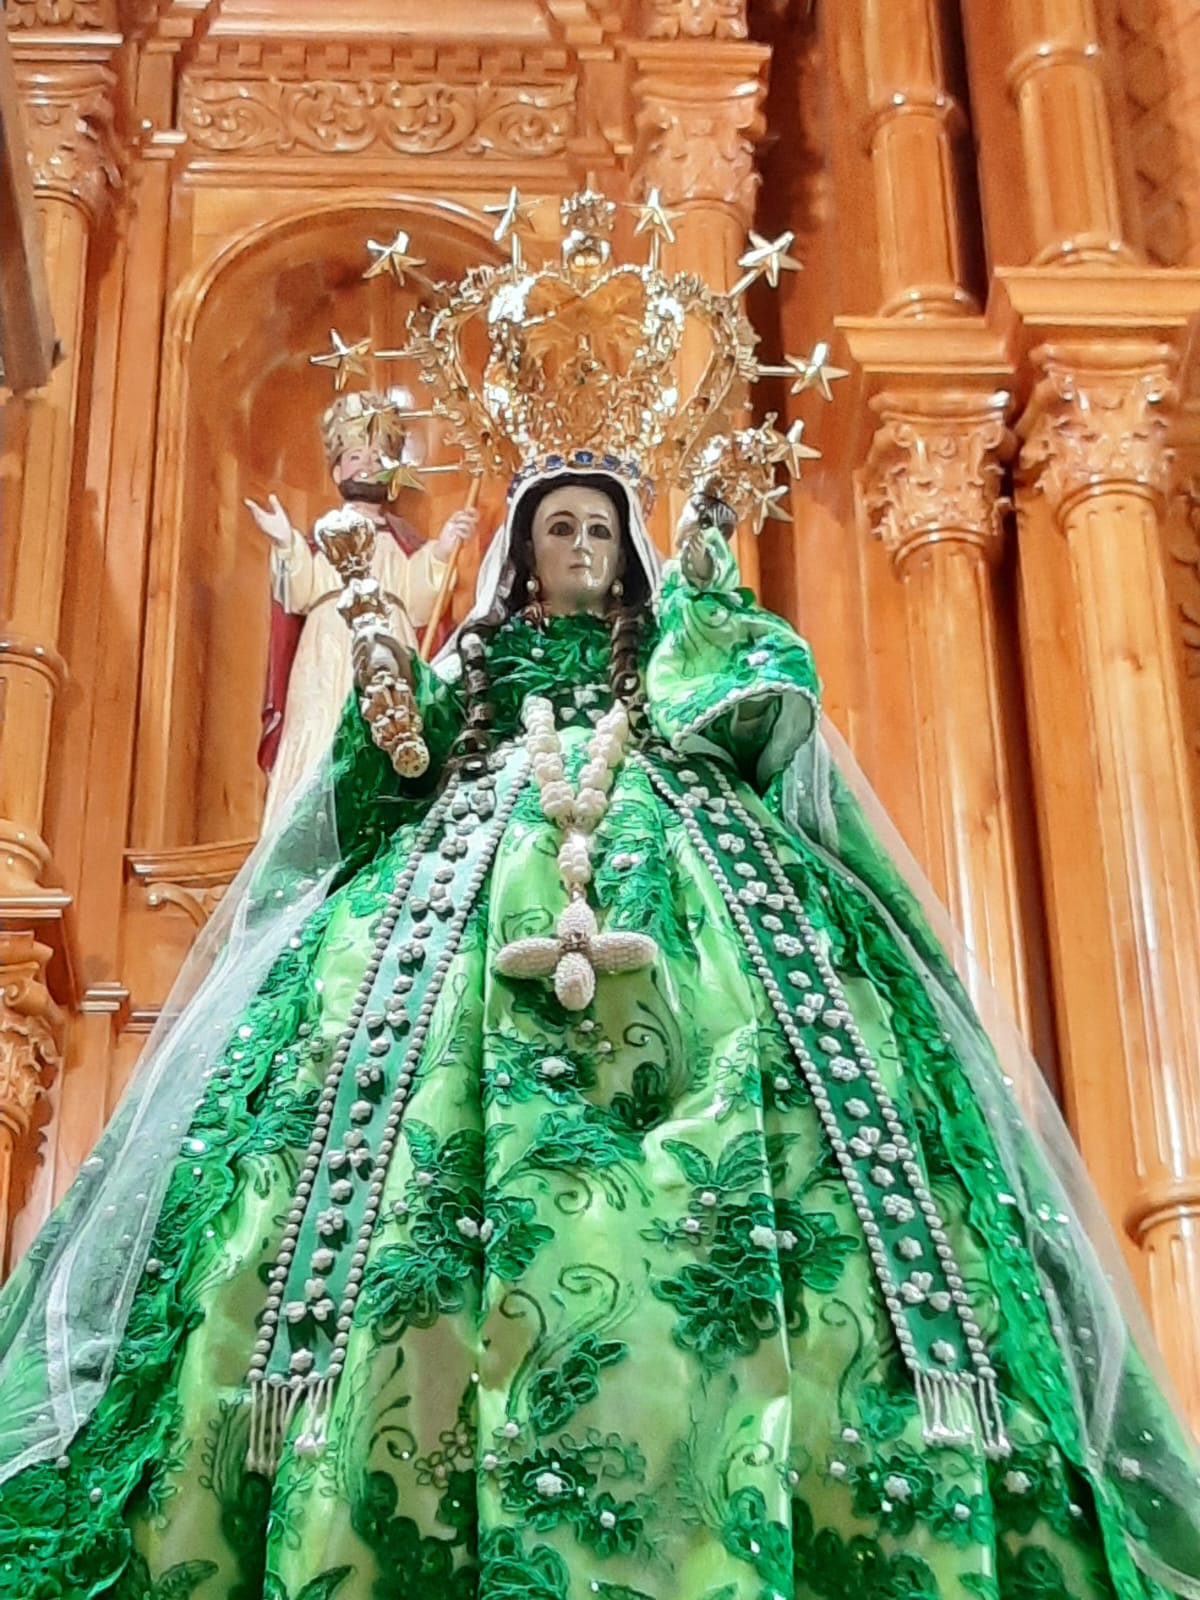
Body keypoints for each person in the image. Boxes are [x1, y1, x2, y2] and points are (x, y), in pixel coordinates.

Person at [2, 190, 1199, 1600]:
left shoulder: (681, 654)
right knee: (341, 1108)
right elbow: (387, 771)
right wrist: (386, 667)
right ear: (522, 547)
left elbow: (769, 711)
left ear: (626, 547)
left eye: (598, 532)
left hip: (691, 896)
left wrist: (708, 643)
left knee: (816, 1115)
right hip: (467, 892)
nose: (578, 550)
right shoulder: (479, 670)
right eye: (557, 530)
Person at [245, 389, 478, 826]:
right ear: (336, 470)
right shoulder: (322, 537)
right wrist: (286, 541)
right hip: (328, 643)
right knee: (323, 729)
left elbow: (421, 603)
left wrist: (444, 548)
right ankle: (307, 828)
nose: (367, 466)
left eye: (377, 457)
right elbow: (299, 590)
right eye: (355, 457)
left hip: (391, 640)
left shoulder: (400, 541)